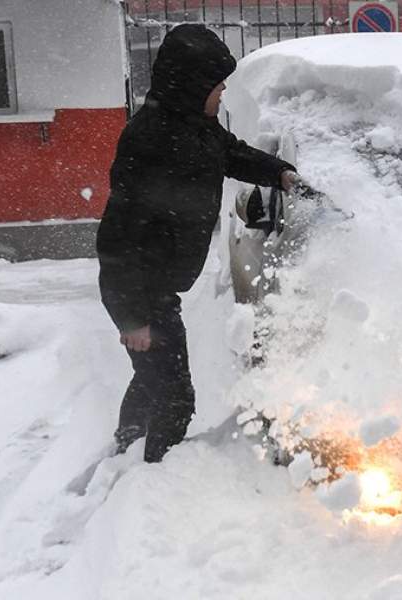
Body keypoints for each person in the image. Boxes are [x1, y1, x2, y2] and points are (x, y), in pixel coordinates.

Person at [96, 24, 296, 463]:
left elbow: (233, 154)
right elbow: (117, 235)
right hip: (140, 291)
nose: (223, 91)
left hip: (159, 289)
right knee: (176, 400)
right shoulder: (148, 139)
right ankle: (153, 477)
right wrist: (133, 319)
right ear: (191, 84)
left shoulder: (197, 126)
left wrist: (280, 172)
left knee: (152, 380)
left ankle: (126, 448)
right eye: (216, 84)